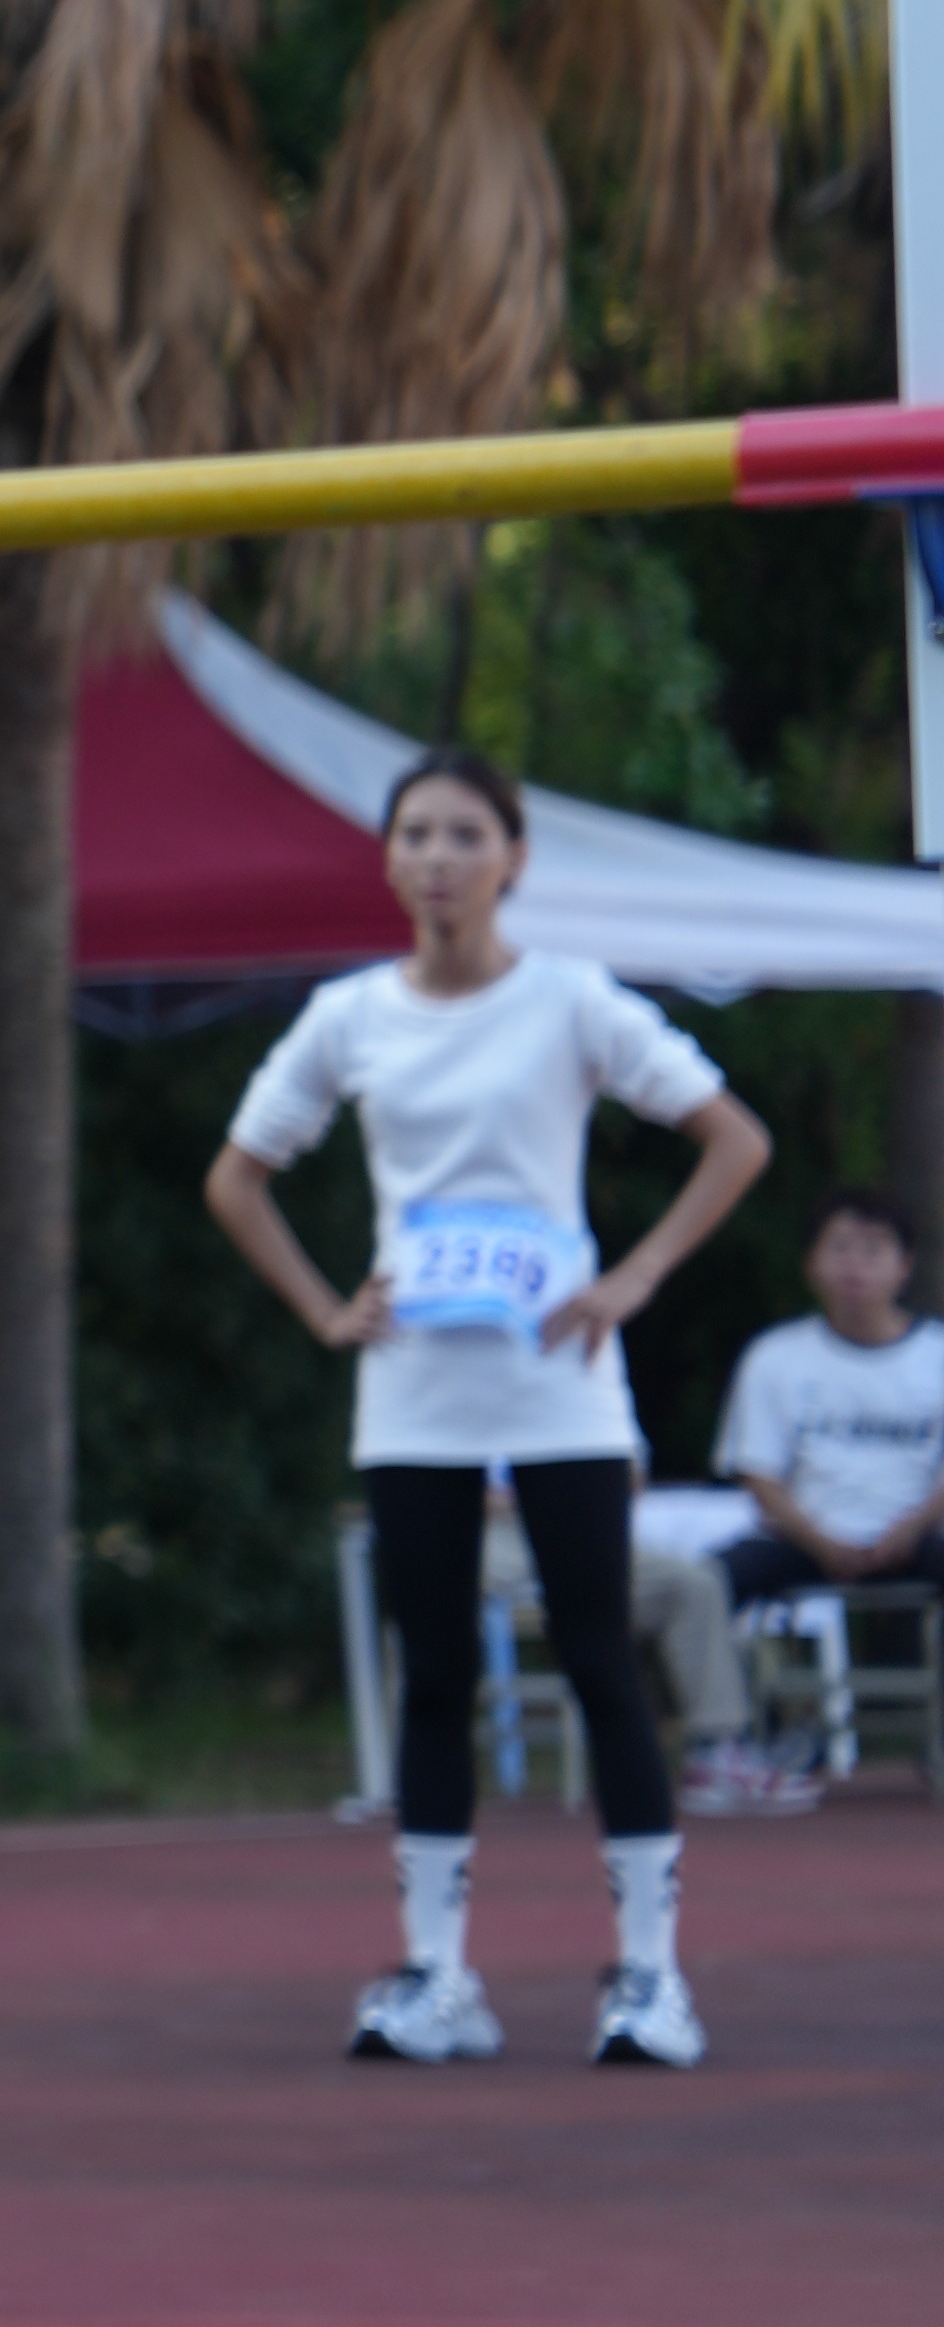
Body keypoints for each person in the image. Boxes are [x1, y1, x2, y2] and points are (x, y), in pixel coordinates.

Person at [200, 747, 774, 2072]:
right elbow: (237, 1176)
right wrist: (324, 1308)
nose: (439, 859)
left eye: (466, 835)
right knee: (436, 1674)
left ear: (514, 858)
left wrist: (632, 1277)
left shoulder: (572, 1000)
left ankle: (650, 1975)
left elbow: (735, 1137)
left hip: (561, 1389)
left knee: (600, 1659)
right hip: (415, 1393)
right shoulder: (350, 1015)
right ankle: (437, 1973)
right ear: (388, 857)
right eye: (416, 834)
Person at [691, 1198, 939, 1799]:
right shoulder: (775, 1356)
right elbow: (758, 1473)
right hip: (804, 1534)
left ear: (904, 1266)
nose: (855, 1266)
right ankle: (724, 1744)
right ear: (811, 1264)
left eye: (873, 1250)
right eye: (840, 1248)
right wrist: (820, 1540)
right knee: (698, 1587)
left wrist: (910, 1528)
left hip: (919, 1531)